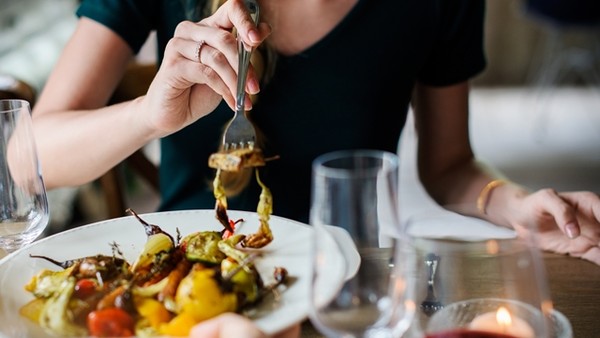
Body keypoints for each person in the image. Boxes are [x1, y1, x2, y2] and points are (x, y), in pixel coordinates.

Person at [30, 0, 600, 334]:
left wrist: (514, 202)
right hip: (188, 308)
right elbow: (27, 158)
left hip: (346, 302)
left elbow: (450, 166)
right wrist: (148, 117)